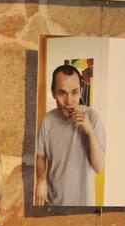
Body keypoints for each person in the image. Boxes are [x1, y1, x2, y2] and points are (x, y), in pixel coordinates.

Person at [34, 64, 105, 207]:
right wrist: (41, 180)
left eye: (74, 92)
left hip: (85, 205)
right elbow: (40, 156)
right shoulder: (48, 120)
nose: (69, 100)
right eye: (62, 93)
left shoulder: (92, 117)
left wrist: (89, 130)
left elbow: (99, 167)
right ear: (53, 93)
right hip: (54, 204)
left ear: (81, 91)